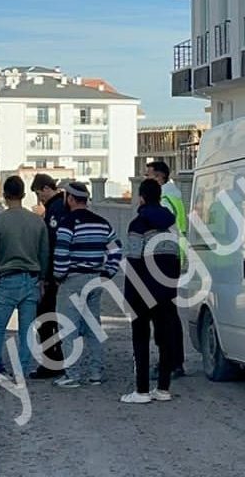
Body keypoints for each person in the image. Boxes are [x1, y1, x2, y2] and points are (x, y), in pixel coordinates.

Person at [51, 181, 121, 388]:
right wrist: (108, 272)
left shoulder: (67, 222)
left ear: (70, 199)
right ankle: (96, 373)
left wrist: (59, 275)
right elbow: (116, 249)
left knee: (68, 327)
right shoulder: (102, 223)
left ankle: (72, 374)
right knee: (93, 327)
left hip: (73, 279)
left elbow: (62, 252)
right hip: (96, 279)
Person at [120, 178, 181, 404]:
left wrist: (129, 295)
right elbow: (176, 259)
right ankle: (163, 389)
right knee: (164, 339)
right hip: (165, 290)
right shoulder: (170, 225)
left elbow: (134, 260)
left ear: (142, 197)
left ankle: (142, 390)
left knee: (141, 339)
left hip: (142, 291)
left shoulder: (138, 224)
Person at [0, 175, 49, 384]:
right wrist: (42, 279)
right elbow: (44, 253)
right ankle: (21, 371)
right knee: (26, 330)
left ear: (4, 195)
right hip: (31, 279)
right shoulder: (37, 221)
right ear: (23, 194)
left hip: (8, 279)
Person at [145, 160, 187, 379]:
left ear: (159, 177)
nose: (146, 180)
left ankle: (169, 362)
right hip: (172, 257)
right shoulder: (174, 195)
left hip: (163, 258)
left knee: (163, 314)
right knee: (169, 312)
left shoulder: (163, 200)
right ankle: (174, 361)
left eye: (149, 175)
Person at [30, 173, 67, 378]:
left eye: (38, 193)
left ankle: (51, 362)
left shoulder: (55, 209)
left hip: (54, 273)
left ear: (46, 188)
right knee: (54, 317)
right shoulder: (61, 206)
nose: (39, 199)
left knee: (45, 317)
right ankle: (57, 359)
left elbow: (50, 245)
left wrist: (45, 274)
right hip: (61, 272)